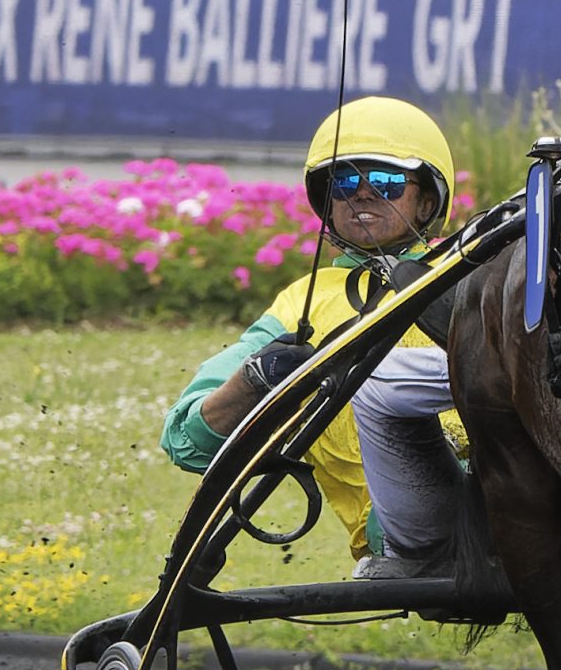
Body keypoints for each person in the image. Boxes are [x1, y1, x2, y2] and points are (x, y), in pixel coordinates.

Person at [160, 97, 460, 578]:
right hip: (414, 532)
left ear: (427, 201)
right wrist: (255, 379)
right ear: (326, 201)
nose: (362, 195)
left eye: (383, 181)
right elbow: (187, 439)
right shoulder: (296, 306)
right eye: (344, 183)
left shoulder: (470, 274)